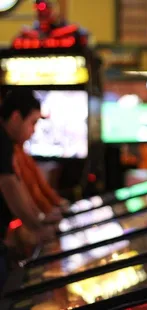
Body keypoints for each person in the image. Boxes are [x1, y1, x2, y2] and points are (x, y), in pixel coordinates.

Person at [0, 90, 62, 289]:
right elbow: (10, 186)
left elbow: (19, 186)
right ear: (16, 117)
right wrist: (37, 225)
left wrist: (40, 219)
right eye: (33, 123)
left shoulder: (8, 143)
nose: (33, 131)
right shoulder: (2, 141)